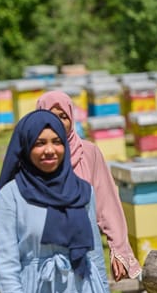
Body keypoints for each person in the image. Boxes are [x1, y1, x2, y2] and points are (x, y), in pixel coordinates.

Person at [0, 109, 114, 293]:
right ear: (25, 146)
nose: (50, 150)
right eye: (39, 143)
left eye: (57, 142)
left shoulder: (83, 191)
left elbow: (94, 254)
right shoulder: (9, 198)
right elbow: (6, 267)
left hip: (83, 290)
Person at [34, 90, 141, 281]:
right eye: (50, 116)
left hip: (86, 251)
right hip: (43, 254)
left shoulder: (89, 153)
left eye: (63, 116)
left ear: (71, 119)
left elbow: (107, 202)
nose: (57, 122)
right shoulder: (30, 156)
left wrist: (118, 248)